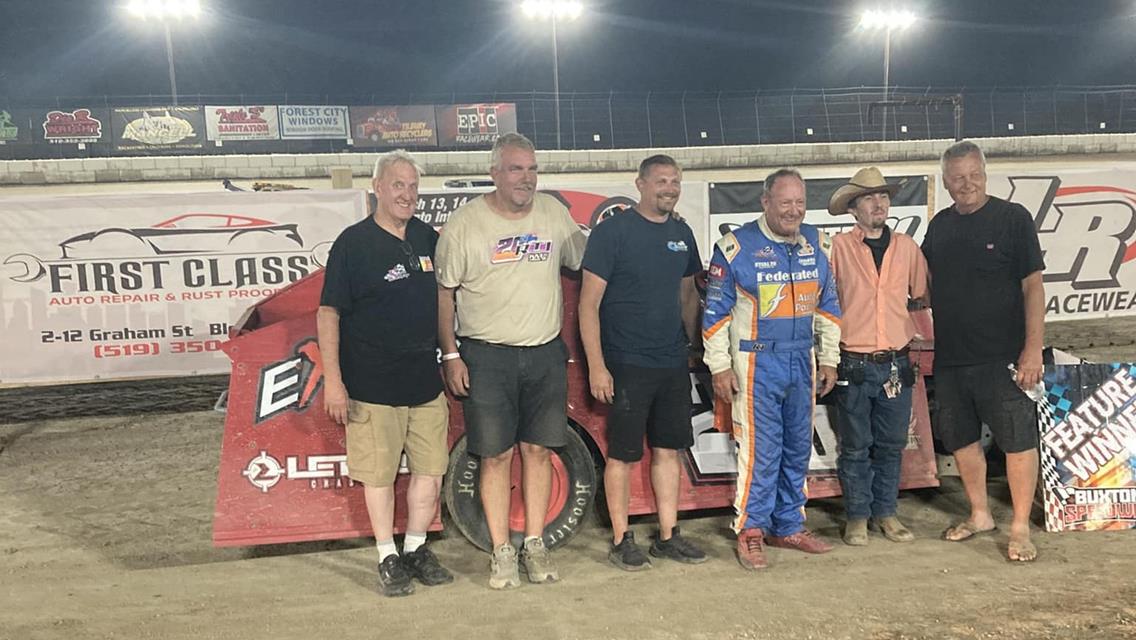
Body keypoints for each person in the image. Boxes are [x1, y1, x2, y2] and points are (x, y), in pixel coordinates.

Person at [435, 132, 587, 589]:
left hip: (544, 353)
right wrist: (450, 354)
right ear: (495, 173)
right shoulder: (465, 225)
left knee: (538, 451)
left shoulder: (554, 215)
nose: (527, 178)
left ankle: (535, 544)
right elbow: (444, 295)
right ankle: (503, 551)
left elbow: (586, 262)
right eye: (517, 169)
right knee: (495, 456)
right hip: (486, 356)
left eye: (533, 169)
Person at [317, 150, 453, 597]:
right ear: (376, 187)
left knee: (430, 472)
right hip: (372, 386)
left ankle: (415, 547)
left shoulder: (427, 238)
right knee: (378, 476)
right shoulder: (352, 244)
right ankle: (386, 555)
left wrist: (450, 355)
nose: (407, 195)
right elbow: (329, 313)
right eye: (398, 185)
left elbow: (443, 302)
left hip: (424, 383)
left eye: (413, 187)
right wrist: (334, 381)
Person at [702, 168, 842, 570]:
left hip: (802, 360)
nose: (793, 211)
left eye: (800, 202)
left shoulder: (816, 243)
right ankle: (750, 531)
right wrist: (720, 367)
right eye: (785, 203)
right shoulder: (735, 247)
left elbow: (828, 304)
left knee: (798, 447)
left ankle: (788, 524)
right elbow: (714, 315)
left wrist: (829, 356)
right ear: (765, 202)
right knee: (761, 453)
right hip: (755, 362)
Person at [578, 154, 707, 571]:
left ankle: (667, 536)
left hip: (671, 361)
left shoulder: (683, 234)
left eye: (675, 181)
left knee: (669, 451)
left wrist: (694, 348)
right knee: (623, 455)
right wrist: (597, 366)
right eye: (661, 181)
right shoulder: (611, 232)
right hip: (626, 364)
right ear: (640, 184)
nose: (669, 188)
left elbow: (688, 295)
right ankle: (620, 539)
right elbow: (588, 304)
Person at [922, 140, 1046, 562]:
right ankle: (980, 515)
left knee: (1016, 441)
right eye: (957, 177)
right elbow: (922, 287)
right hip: (953, 358)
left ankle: (1018, 528)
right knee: (961, 441)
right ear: (945, 181)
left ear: (985, 175)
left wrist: (1033, 351)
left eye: (974, 174)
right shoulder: (939, 226)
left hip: (1005, 357)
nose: (967, 184)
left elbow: (1033, 287)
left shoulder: (1013, 219)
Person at [827, 167, 929, 546]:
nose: (878, 203)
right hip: (852, 361)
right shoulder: (837, 248)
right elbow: (824, 301)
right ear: (854, 208)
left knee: (890, 444)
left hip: (896, 362)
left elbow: (919, 294)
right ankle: (857, 515)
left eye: (883, 197)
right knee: (854, 445)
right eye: (869, 198)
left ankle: (885, 512)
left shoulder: (907, 248)